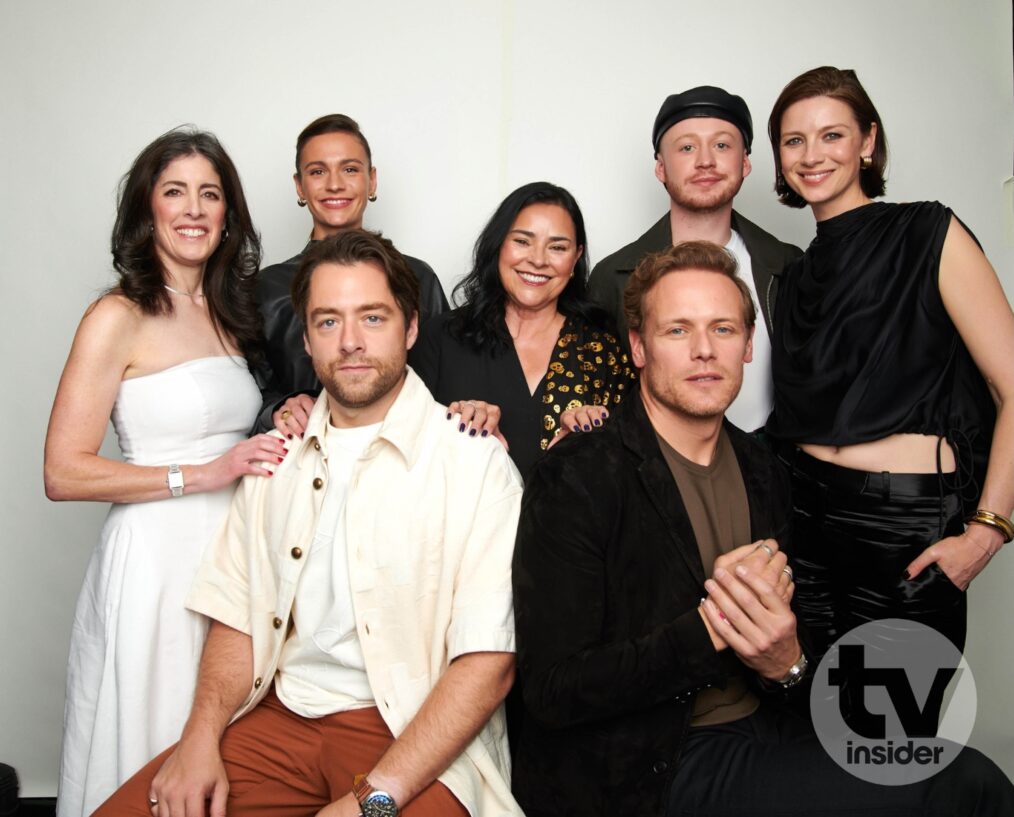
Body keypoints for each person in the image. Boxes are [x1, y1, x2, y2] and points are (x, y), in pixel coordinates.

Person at [511, 241, 1014, 817]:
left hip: (771, 728)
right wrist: (713, 629)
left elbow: (796, 654)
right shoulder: (578, 476)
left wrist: (788, 662)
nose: (704, 350)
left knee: (945, 765)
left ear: (750, 345)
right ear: (639, 347)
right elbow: (553, 689)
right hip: (650, 764)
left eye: (723, 329)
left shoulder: (767, 472)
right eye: (678, 330)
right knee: (965, 786)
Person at [93, 230, 524, 817]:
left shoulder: (477, 462)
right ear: (307, 335)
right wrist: (199, 739)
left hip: (414, 733)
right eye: (328, 322)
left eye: (373, 318)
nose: (350, 342)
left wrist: (371, 801)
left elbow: (487, 664)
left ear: (412, 327)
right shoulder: (276, 458)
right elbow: (237, 613)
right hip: (280, 721)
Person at [43, 128, 285, 817]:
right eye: (174, 191)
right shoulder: (115, 315)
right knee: (146, 737)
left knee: (215, 745)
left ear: (228, 213)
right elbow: (63, 471)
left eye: (210, 194)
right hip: (153, 560)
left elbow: (242, 431)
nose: (193, 208)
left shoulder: (231, 315)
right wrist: (201, 475)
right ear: (146, 210)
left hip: (230, 555)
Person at [764, 66, 1014, 663]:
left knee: (888, 739)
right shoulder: (793, 275)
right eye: (794, 140)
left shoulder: (928, 230)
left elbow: (1012, 387)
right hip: (806, 518)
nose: (811, 155)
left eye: (832, 135)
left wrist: (988, 531)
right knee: (806, 715)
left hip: (904, 521)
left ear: (868, 142)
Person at [588, 86, 801, 431]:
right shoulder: (614, 275)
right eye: (687, 147)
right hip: (655, 473)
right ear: (661, 168)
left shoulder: (789, 265)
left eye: (722, 145)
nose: (705, 160)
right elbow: (596, 397)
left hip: (773, 469)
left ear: (745, 162)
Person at [410, 181, 636, 481]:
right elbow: (404, 454)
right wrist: (458, 435)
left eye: (557, 247)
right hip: (460, 526)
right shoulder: (439, 338)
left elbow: (633, 467)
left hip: (572, 527)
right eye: (522, 241)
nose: (538, 260)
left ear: (576, 258)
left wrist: (589, 445)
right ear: (498, 244)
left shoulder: (603, 350)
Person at [258, 113, 448, 434]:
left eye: (349, 169)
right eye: (318, 171)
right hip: (301, 456)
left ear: (371, 180)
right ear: (299, 186)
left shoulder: (417, 277)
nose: (334, 184)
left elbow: (449, 376)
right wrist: (278, 408)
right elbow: (245, 388)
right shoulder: (265, 289)